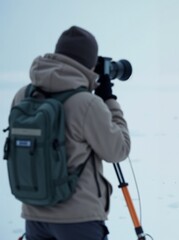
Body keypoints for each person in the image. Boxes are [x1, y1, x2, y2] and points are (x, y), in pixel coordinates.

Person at [11, 26, 131, 240]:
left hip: (34, 216)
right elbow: (118, 150)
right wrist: (109, 101)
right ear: (89, 63)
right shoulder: (86, 103)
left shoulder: (23, 96)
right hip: (79, 221)